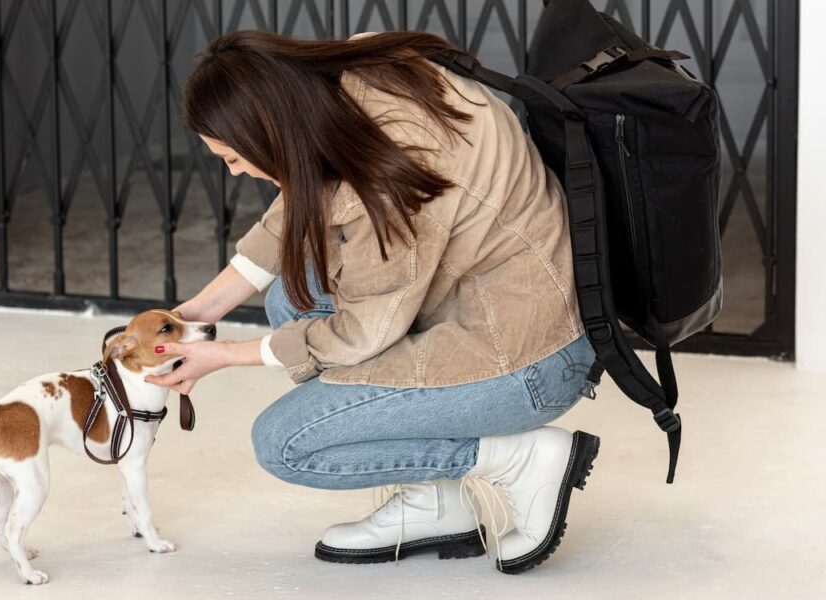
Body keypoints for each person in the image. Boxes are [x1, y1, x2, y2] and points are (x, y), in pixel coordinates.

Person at [143, 29, 601, 574]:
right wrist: (197, 314)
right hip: (496, 302)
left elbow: (358, 333)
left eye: (235, 158)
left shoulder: (395, 173)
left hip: (528, 359)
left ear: (272, 134)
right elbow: (308, 192)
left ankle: (518, 459)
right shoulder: (362, 68)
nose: (235, 171)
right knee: (297, 295)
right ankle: (439, 506)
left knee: (286, 443)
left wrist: (225, 355)